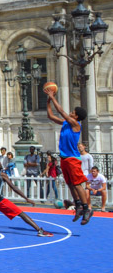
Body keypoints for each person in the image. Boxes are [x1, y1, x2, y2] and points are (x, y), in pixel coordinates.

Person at [0, 157, 53, 236]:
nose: (1, 163)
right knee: (21, 213)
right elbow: (14, 187)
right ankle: (39, 230)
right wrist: (26, 199)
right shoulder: (2, 175)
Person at [46, 91, 92, 224]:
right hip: (65, 158)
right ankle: (78, 205)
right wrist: (48, 101)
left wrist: (53, 97)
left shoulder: (76, 125)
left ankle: (86, 208)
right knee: (71, 184)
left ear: (76, 116)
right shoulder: (66, 123)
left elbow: (61, 111)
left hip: (73, 159)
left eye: (72, 112)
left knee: (77, 185)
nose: (70, 112)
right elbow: (51, 116)